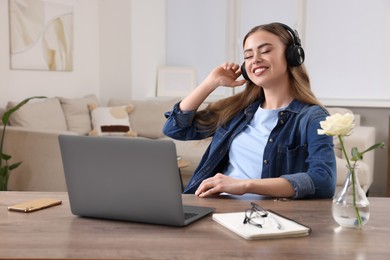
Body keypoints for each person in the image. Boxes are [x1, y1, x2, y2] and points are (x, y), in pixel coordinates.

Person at [163, 22, 336, 199]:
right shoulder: (238, 111)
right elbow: (175, 129)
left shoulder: (313, 118)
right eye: (248, 55)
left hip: (265, 216)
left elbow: (323, 180)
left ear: (292, 56)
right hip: (216, 208)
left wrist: (245, 186)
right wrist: (211, 82)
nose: (255, 59)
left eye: (266, 51)